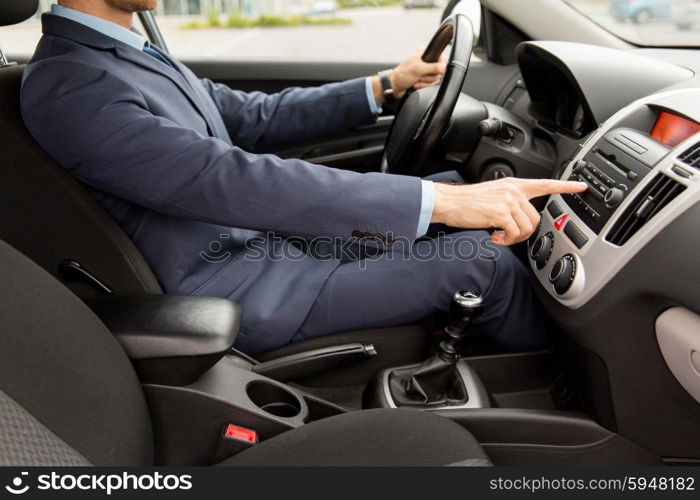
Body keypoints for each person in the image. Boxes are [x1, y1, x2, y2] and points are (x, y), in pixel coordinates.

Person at [20, 0, 587, 354]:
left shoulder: (124, 54)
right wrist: (440, 203)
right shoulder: (72, 83)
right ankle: (560, 394)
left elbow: (249, 118)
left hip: (266, 251)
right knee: (479, 261)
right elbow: (224, 179)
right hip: (238, 286)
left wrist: (389, 85)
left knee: (447, 184)